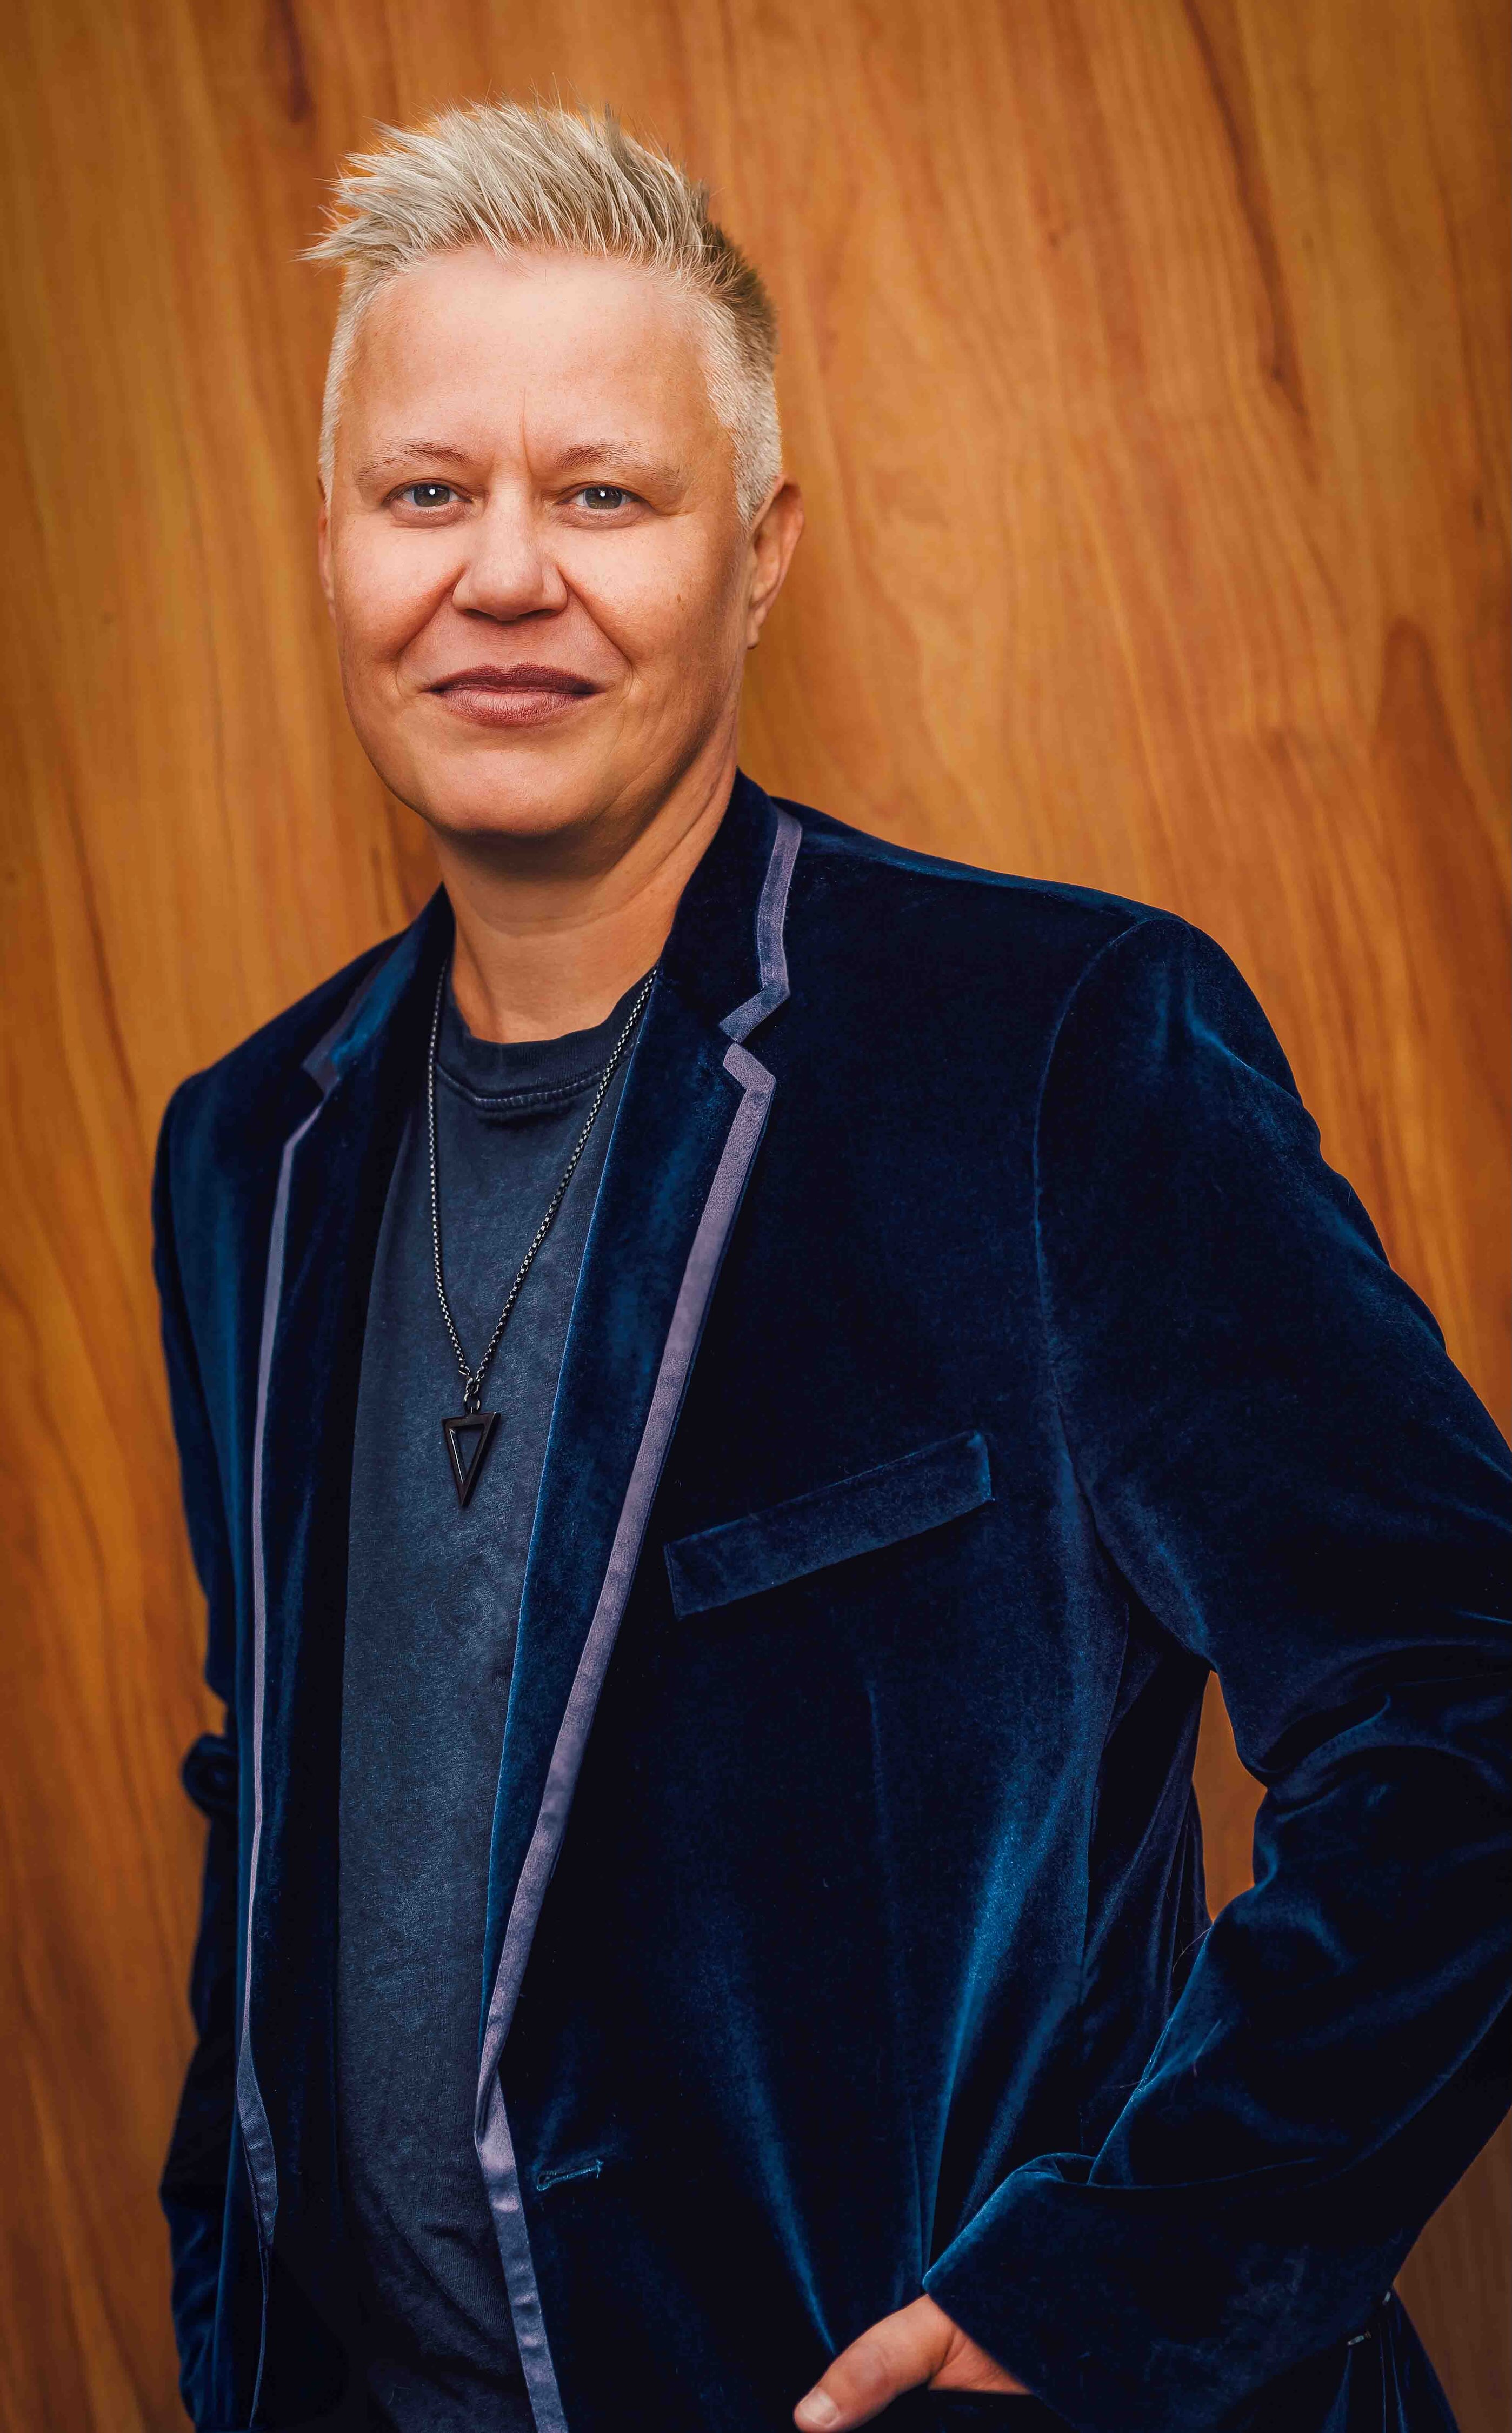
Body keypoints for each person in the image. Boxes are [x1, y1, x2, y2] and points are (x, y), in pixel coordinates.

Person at [152, 99, 1510, 2433]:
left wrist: (1121, 2290)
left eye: (604, 494)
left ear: (761, 552)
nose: (503, 575)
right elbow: (275, 1815)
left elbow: (1463, 1701)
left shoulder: (1056, 1051)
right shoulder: (243, 1146)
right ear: (332, 543)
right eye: (426, 492)